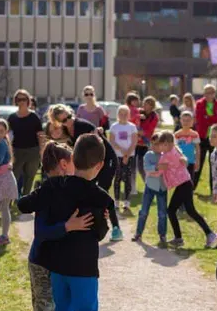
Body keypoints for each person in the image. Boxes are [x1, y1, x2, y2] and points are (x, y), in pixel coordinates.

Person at [16, 133, 115, 311]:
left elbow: (23, 204)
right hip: (83, 270)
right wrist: (99, 219)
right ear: (99, 165)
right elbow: (99, 233)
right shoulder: (100, 196)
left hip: (58, 269)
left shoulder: (53, 187)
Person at [51, 104, 123, 241]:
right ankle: (90, 220)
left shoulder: (83, 125)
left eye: (69, 117)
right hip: (90, 163)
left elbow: (97, 144)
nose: (68, 121)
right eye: (64, 120)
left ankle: (115, 228)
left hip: (106, 160)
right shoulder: (66, 133)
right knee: (87, 189)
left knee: (103, 192)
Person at [159, 130, 217, 249]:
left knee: (171, 210)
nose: (161, 147)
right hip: (185, 183)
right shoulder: (175, 150)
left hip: (184, 184)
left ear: (170, 143)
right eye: (160, 144)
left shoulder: (168, 154)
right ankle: (209, 234)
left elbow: (159, 165)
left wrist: (154, 165)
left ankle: (180, 238)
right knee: (190, 211)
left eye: (163, 144)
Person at [133, 133, 168, 246]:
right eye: (153, 144)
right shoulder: (148, 155)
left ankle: (162, 235)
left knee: (162, 213)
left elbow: (169, 169)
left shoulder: (166, 155)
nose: (155, 146)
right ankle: (138, 233)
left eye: (158, 144)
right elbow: (147, 168)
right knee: (143, 211)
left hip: (162, 187)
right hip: (150, 186)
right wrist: (157, 168)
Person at [8, 89, 44, 195]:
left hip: (33, 151)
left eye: (24, 99)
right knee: (13, 177)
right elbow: (8, 136)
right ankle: (9, 202)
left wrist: (42, 151)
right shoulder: (12, 117)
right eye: (19, 99)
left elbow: (40, 135)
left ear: (28, 100)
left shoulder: (34, 116)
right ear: (16, 101)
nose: (22, 101)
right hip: (16, 151)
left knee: (29, 178)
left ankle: (25, 202)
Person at [194, 84, 217, 188]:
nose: (209, 95)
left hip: (216, 138)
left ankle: (214, 188)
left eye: (211, 92)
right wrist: (213, 118)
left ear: (214, 93)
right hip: (202, 137)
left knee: (214, 163)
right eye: (207, 92)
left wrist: (208, 118)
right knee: (198, 162)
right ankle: (192, 187)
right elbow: (200, 119)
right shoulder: (199, 104)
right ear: (204, 94)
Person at [109, 105, 138, 211]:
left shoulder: (132, 127)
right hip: (117, 156)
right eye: (121, 114)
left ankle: (126, 202)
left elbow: (134, 141)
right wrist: (122, 151)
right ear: (118, 115)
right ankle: (116, 201)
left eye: (126, 114)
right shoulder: (114, 127)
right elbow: (112, 141)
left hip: (129, 157)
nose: (123, 116)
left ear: (129, 115)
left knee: (128, 179)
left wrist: (127, 154)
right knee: (117, 178)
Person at [136, 96, 159, 184]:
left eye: (147, 104)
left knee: (142, 165)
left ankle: (149, 182)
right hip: (135, 142)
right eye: (144, 103)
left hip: (145, 143)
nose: (144, 105)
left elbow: (149, 130)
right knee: (133, 165)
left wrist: (140, 132)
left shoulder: (154, 116)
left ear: (151, 105)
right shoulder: (139, 112)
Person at [175, 110, 201, 186]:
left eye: (188, 120)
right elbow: (174, 148)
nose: (186, 122)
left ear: (192, 121)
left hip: (191, 162)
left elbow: (197, 149)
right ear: (180, 121)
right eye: (184, 120)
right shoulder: (177, 134)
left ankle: (189, 196)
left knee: (189, 182)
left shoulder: (194, 134)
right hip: (180, 162)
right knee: (180, 182)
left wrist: (198, 161)